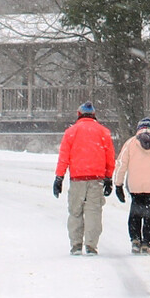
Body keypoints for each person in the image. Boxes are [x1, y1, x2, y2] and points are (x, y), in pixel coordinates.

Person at [53, 101, 116, 255]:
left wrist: (59, 177)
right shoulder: (103, 132)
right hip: (96, 179)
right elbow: (110, 158)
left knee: (75, 212)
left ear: (79, 114)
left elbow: (64, 157)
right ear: (94, 115)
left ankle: (76, 244)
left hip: (77, 178)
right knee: (94, 212)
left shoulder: (71, 132)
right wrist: (108, 178)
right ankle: (91, 245)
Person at [112, 117, 150, 255]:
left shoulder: (131, 143)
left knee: (136, 213)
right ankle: (146, 242)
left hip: (136, 186)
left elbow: (121, 165)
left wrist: (118, 185)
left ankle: (135, 239)